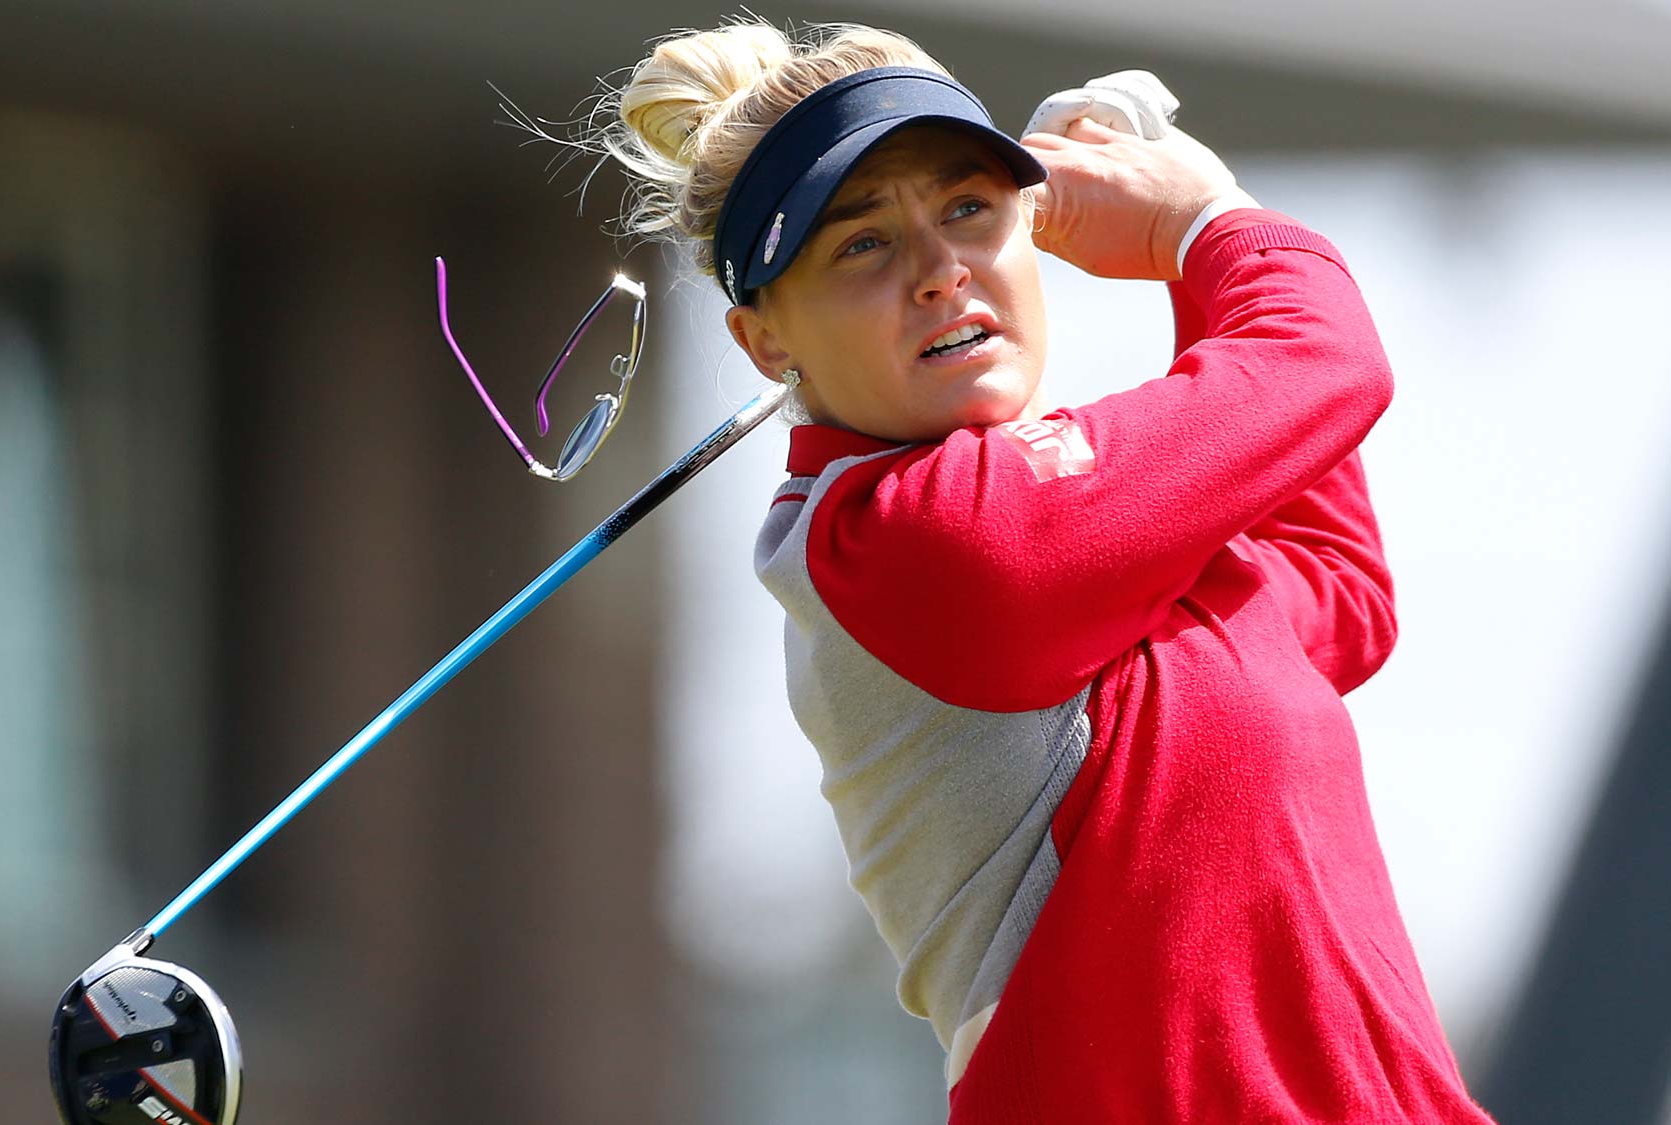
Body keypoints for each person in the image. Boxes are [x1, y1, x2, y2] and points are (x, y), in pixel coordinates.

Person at [587, 19, 1496, 1123]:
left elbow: (1330, 593)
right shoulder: (908, 539)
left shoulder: (1075, 531)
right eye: (859, 245)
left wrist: (1193, 249)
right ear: (763, 343)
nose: (937, 272)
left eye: (968, 210)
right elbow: (1324, 361)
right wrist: (1205, 222)